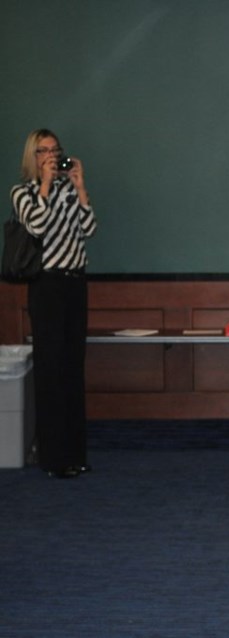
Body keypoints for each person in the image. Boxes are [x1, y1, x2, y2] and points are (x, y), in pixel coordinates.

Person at [10, 129, 96, 479]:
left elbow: (89, 229)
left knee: (73, 368)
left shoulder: (67, 190)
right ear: (32, 157)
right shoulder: (22, 193)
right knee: (50, 370)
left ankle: (75, 453)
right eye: (43, 152)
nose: (51, 157)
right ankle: (53, 458)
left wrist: (79, 187)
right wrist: (44, 186)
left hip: (75, 284)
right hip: (46, 286)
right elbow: (37, 226)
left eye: (55, 151)